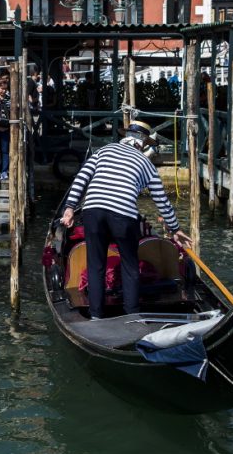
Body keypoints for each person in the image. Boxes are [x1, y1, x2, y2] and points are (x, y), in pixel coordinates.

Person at [60, 120, 192, 319]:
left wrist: (69, 208)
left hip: (92, 210)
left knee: (96, 265)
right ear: (145, 144)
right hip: (123, 214)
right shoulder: (145, 162)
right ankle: (131, 316)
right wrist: (175, 229)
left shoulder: (105, 150)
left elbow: (81, 178)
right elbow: (161, 200)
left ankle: (96, 317)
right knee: (130, 266)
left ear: (125, 136)